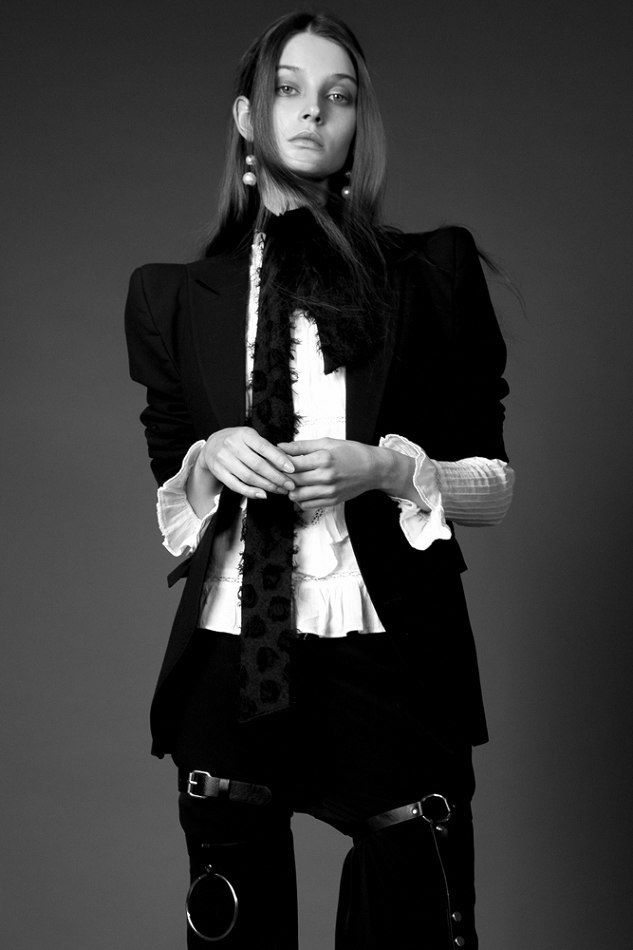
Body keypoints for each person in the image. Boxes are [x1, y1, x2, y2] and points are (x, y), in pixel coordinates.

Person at [124, 10, 515, 949]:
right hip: (230, 659)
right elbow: (173, 497)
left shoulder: (430, 273)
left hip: (387, 655)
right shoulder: (171, 298)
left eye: (337, 96)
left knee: (416, 922)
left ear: (355, 123)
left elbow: (497, 487)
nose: (312, 112)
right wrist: (209, 459)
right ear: (246, 118)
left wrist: (384, 467)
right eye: (287, 91)